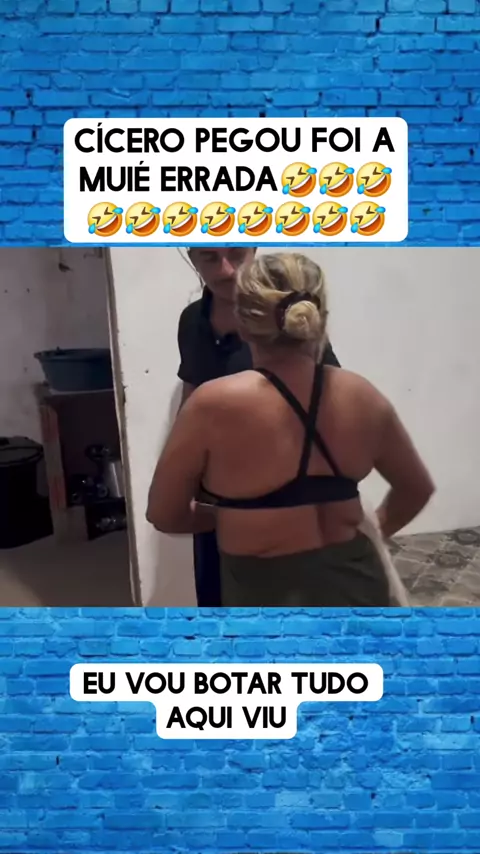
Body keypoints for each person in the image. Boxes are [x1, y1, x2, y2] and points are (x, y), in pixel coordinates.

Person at [147, 252, 435, 607]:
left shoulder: (210, 405)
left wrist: (235, 514)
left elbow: (164, 514)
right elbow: (417, 489)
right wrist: (371, 528)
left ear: (242, 324)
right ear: (319, 319)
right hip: (361, 588)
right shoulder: (363, 395)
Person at [176, 247, 341, 606]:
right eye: (208, 257)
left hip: (285, 506)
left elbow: (332, 407)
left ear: (253, 250)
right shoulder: (191, 320)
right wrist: (182, 472)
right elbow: (191, 394)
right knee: (217, 603)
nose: (225, 270)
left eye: (236, 254)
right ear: (192, 257)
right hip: (215, 502)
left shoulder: (288, 318)